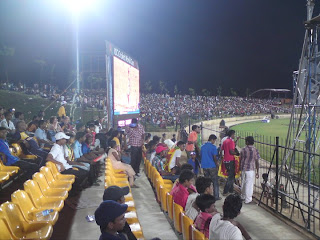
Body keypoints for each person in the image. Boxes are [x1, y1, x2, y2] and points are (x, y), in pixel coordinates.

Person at [240, 136, 260, 204]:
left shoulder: (243, 149)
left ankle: (243, 196)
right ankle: (248, 199)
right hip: (250, 169)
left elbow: (240, 159)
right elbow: (257, 161)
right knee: (249, 184)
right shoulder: (255, 150)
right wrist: (257, 171)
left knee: (243, 183)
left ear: (247, 142)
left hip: (243, 168)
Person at [201, 134, 220, 200]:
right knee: (215, 181)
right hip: (212, 166)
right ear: (212, 139)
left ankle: (207, 195)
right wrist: (217, 165)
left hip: (204, 166)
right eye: (214, 140)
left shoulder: (202, 146)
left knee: (207, 182)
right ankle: (216, 196)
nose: (214, 142)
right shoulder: (213, 147)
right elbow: (215, 158)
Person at [221, 130, 238, 195]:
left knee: (231, 176)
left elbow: (222, 149)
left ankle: (231, 190)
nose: (234, 136)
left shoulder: (225, 141)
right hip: (230, 160)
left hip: (225, 160)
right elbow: (231, 151)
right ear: (232, 134)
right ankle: (225, 191)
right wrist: (236, 153)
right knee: (231, 176)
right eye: (234, 134)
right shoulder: (230, 141)